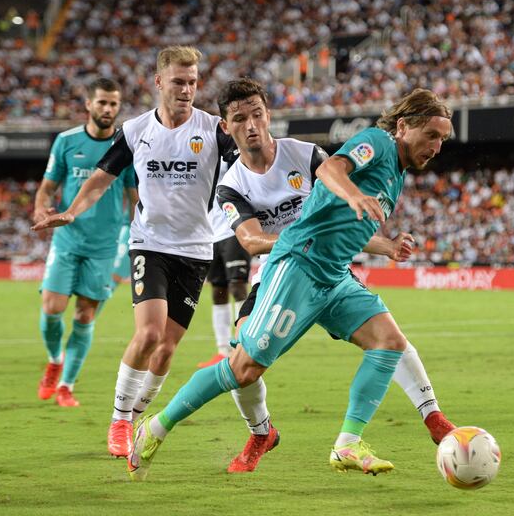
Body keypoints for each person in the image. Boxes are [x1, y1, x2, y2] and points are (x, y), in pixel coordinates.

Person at [126, 88, 454, 481]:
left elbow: (337, 218)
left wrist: (383, 243)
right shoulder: (378, 143)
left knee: (390, 342)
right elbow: (330, 172)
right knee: (243, 368)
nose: (437, 146)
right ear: (403, 127)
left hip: (332, 275)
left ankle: (348, 443)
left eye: (442, 139)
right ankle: (155, 427)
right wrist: (352, 194)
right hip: (296, 266)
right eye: (432, 135)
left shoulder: (387, 167)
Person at [32, 46, 235, 456]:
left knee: (166, 350)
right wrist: (72, 211)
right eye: (179, 81)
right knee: (148, 334)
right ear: (159, 82)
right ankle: (119, 420)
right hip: (150, 243)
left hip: (197, 248)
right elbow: (101, 178)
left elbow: (249, 166)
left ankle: (137, 412)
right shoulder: (135, 130)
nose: (187, 89)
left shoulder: (214, 129)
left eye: (193, 82)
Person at [32, 78, 137, 408]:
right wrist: (40, 207)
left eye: (113, 104)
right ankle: (54, 360)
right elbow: (47, 187)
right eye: (102, 103)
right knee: (52, 308)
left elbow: (135, 199)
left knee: (85, 317)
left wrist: (135, 240)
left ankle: (66, 385)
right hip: (67, 239)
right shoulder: (66, 141)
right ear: (89, 105)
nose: (108, 109)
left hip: (105, 245)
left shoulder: (126, 146)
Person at [196, 156, 251, 368]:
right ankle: (222, 351)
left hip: (233, 230)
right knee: (218, 291)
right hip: (210, 234)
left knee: (238, 287)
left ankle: (242, 346)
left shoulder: (230, 155)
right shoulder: (200, 156)